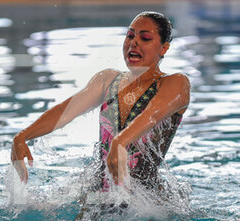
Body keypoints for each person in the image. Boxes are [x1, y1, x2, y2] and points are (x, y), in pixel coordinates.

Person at [10, 11, 190, 196]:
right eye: (129, 36)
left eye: (145, 38)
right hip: (97, 198)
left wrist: (120, 141)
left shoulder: (175, 83)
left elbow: (152, 114)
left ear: (164, 48)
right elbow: (66, 111)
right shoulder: (107, 81)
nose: (133, 42)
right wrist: (22, 136)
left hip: (147, 204)